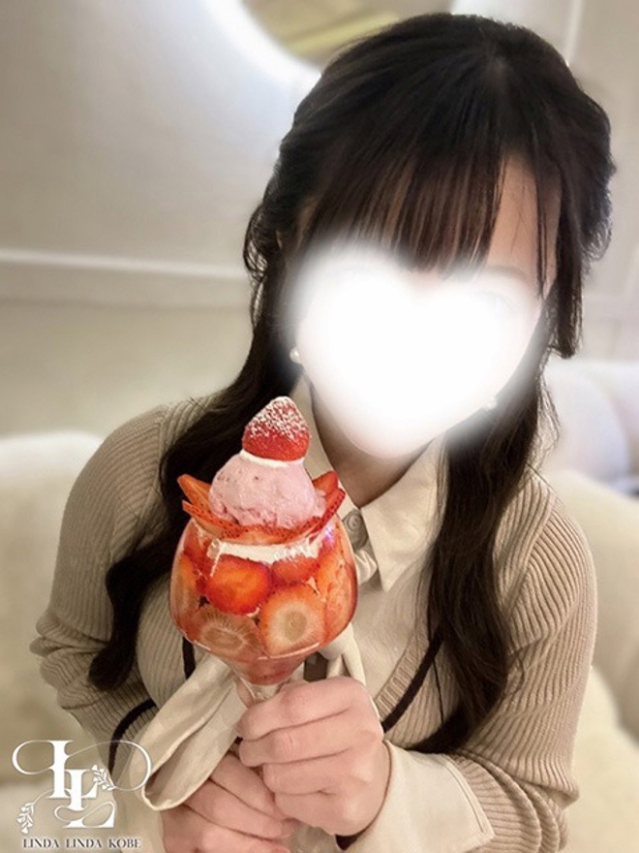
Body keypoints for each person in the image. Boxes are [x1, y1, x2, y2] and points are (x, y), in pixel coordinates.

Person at [30, 11, 615, 853]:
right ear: (287, 240)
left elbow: (531, 808)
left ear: (543, 315)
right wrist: (149, 773)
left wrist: (388, 796)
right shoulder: (142, 472)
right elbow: (73, 648)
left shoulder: (535, 560)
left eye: (484, 299)